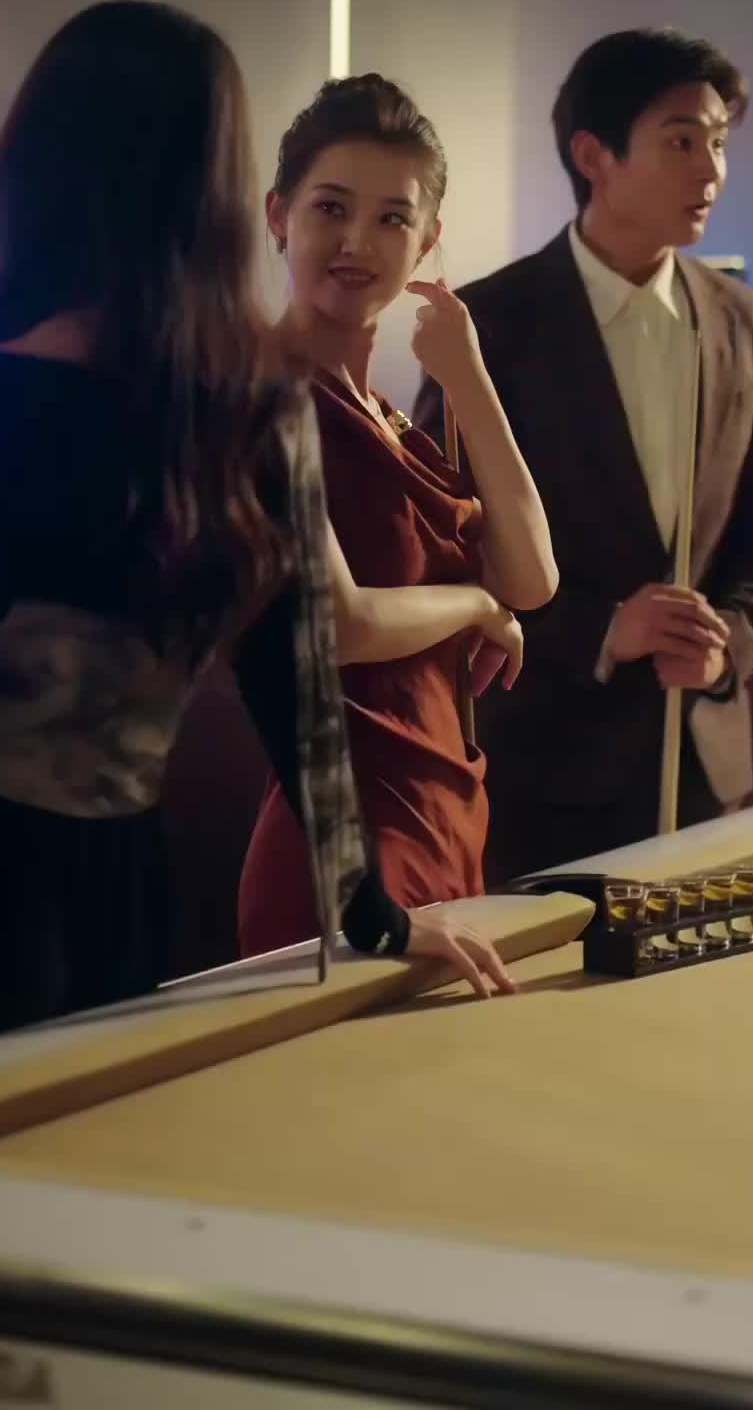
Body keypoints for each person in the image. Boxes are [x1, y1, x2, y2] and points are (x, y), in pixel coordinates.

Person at [0, 4, 516, 1083]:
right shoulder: (255, 401)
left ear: (43, 164)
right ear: (221, 184)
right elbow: (299, 690)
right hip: (109, 886)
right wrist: (370, 912)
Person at [414, 27, 753, 877]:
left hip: (703, 766)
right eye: (681, 142)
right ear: (593, 155)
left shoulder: (748, 321)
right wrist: (601, 629)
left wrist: (729, 646)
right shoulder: (491, 326)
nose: (711, 172)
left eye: (719, 143)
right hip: (546, 774)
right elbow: (450, 549)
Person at [238, 76, 558, 955]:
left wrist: (469, 378)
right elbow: (337, 625)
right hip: (348, 844)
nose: (357, 242)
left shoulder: (391, 416)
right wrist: (476, 606)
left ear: (428, 239)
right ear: (279, 215)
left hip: (448, 812)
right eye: (331, 209)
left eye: (391, 218)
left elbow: (533, 577)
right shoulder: (264, 397)